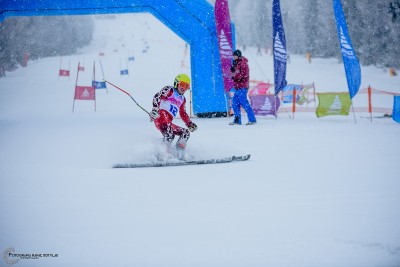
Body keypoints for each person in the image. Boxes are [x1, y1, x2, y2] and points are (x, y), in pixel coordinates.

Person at [149, 73, 198, 159]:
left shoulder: (183, 99)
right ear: (176, 83)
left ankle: (179, 153)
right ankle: (162, 153)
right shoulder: (169, 90)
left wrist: (189, 123)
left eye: (186, 86)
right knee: (169, 132)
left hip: (168, 122)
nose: (184, 88)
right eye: (182, 85)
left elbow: (183, 113)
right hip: (160, 116)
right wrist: (155, 109)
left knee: (185, 133)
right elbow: (158, 96)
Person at [229, 49, 257, 125]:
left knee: (244, 103)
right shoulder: (236, 63)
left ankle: (252, 119)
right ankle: (237, 120)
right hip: (237, 87)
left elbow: (243, 74)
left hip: (242, 86)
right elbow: (235, 74)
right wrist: (232, 71)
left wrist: (234, 76)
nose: (234, 57)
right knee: (235, 103)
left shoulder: (243, 63)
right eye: (233, 56)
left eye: (235, 56)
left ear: (238, 56)